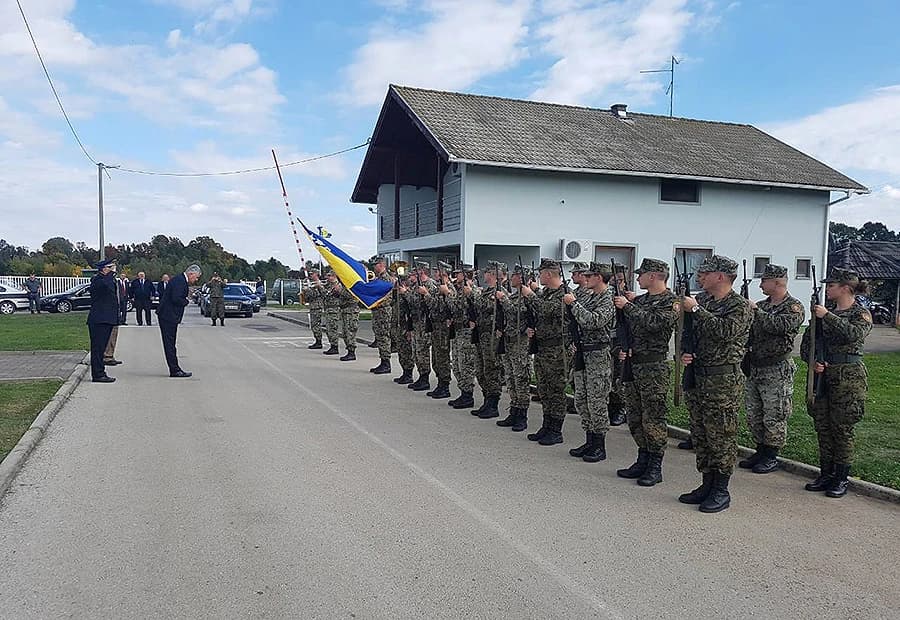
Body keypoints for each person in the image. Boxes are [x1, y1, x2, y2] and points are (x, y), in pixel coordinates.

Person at [678, 255, 753, 514]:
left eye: (705, 272)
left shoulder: (739, 305)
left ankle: (721, 489)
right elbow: (693, 335)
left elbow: (725, 332)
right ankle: (706, 483)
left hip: (723, 380)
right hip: (699, 375)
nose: (700, 277)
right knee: (700, 432)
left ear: (720, 276)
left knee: (721, 434)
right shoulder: (705, 301)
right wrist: (687, 353)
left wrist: (696, 310)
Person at [800, 267, 872, 498]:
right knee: (823, 425)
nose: (827, 289)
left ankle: (841, 477)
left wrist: (826, 316)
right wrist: (813, 362)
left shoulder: (860, 313)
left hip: (848, 379)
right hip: (823, 375)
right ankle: (826, 473)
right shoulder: (823, 314)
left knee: (842, 428)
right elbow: (806, 345)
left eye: (831, 285)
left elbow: (854, 335)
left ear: (845, 288)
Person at [613, 258, 677, 486]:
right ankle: (642, 457)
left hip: (653, 367)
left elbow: (655, 323)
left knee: (653, 417)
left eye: (642, 274)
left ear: (654, 276)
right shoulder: (640, 300)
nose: (638, 278)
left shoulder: (671, 301)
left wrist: (628, 307)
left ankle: (655, 465)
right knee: (635, 416)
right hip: (633, 363)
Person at [739, 263, 805, 474]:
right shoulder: (761, 305)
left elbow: (778, 326)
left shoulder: (793, 307)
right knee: (754, 413)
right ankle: (760, 449)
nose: (761, 285)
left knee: (774, 413)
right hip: (755, 366)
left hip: (776, 367)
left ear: (777, 282)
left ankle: (771, 455)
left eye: (764, 281)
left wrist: (755, 311)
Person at [564, 262, 616, 462]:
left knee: (596, 400)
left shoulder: (608, 298)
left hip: (598, 355)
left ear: (599, 277)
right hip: (582, 353)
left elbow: (593, 321)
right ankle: (589, 439)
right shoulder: (588, 295)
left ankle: (599, 444)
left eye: (590, 275)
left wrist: (573, 305)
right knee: (581, 399)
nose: (586, 278)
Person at [520, 259, 570, 446]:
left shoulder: (564, 294)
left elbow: (547, 310)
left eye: (541, 273)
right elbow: (537, 314)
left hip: (557, 349)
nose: (539, 276)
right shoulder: (546, 293)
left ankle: (556, 430)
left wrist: (531, 296)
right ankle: (546, 425)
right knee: (544, 388)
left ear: (549, 274)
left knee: (555, 389)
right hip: (542, 347)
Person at [495, 264, 533, 432]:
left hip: (521, 343)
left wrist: (503, 300)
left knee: (521, 378)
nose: (512, 277)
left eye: (516, 275)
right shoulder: (513, 295)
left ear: (524, 278)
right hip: (509, 341)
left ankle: (522, 415)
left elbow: (516, 314)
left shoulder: (528, 296)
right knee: (510, 377)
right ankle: (514, 409)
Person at [469, 261, 504, 418]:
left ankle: (493, 403)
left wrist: (472, 292)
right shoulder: (485, 292)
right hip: (481, 336)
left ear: (492, 275)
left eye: (486, 273)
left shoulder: (499, 292)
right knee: (481, 369)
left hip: (491, 338)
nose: (484, 275)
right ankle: (486, 400)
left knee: (491, 370)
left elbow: (485, 307)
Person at [158, 264, 201, 377]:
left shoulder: (179, 280)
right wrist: (186, 301)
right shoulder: (179, 281)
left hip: (169, 315)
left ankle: (174, 368)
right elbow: (176, 298)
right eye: (196, 277)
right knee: (170, 344)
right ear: (191, 273)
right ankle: (174, 370)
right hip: (168, 316)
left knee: (170, 343)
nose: (196, 280)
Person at [446, 264, 478, 409]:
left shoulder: (471, 290)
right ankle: (463, 392)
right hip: (458, 330)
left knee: (465, 365)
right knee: (457, 365)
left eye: (458, 273)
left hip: (466, 332)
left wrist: (448, 294)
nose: (455, 275)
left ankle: (468, 395)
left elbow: (457, 308)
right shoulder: (460, 290)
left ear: (465, 275)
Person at [425, 261, 454, 399]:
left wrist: (427, 295)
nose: (435, 274)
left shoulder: (449, 289)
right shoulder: (438, 288)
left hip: (443, 328)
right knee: (436, 358)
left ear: (445, 274)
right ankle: (440, 383)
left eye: (438, 272)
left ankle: (445, 385)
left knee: (442, 357)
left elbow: (439, 307)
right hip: (436, 327)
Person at [86, 260, 119, 383]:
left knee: (101, 348)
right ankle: (98, 374)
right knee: (98, 349)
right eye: (110, 267)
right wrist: (110, 275)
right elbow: (106, 287)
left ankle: (100, 372)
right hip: (99, 320)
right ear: (103, 269)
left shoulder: (106, 279)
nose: (113, 269)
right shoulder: (98, 281)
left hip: (106, 319)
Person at [406, 262, 436, 391]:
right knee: (416, 351)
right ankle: (421, 376)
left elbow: (417, 302)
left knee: (422, 351)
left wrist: (406, 293)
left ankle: (425, 378)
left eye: (415, 272)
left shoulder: (430, 285)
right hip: (416, 322)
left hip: (424, 323)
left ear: (422, 272)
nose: (413, 275)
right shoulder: (416, 285)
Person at [369, 258, 394, 374]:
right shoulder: (379, 279)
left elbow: (386, 298)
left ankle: (386, 363)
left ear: (382, 265)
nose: (374, 267)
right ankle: (383, 361)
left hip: (383, 311)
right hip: (378, 311)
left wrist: (375, 303)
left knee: (384, 337)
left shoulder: (386, 279)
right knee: (380, 337)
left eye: (376, 265)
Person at [392, 272, 416, 384]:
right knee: (401, 350)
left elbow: (411, 310)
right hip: (398, 325)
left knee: (407, 351)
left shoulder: (409, 293)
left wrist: (409, 329)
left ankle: (409, 373)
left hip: (406, 326)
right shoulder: (398, 294)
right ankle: (404, 372)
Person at [337, 279, 360, 362]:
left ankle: (352, 352)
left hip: (351, 311)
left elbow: (352, 295)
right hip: (345, 311)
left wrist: (340, 291)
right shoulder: (344, 285)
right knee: (345, 333)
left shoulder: (352, 283)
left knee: (350, 332)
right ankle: (349, 351)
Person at [322, 271, 343, 356]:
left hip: (334, 310)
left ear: (334, 276)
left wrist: (321, 287)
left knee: (333, 329)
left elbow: (328, 294)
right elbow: (324, 296)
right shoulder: (329, 285)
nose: (327, 277)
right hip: (328, 309)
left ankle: (335, 347)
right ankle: (332, 345)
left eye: (329, 276)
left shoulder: (337, 285)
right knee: (329, 329)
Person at [304, 270, 325, 349]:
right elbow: (308, 297)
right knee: (313, 325)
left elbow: (315, 294)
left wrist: (308, 290)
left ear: (316, 274)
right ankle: (317, 340)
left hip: (317, 306)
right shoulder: (311, 283)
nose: (311, 275)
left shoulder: (318, 284)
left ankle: (319, 341)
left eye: (312, 274)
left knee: (316, 325)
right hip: (313, 306)